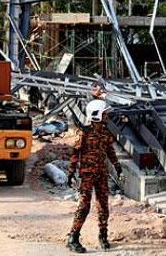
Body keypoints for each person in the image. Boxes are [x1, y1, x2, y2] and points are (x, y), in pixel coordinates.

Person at [67, 99, 123, 253]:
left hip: (102, 175)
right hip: (87, 176)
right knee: (84, 206)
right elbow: (75, 153)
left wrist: (118, 168)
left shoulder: (105, 133)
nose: (107, 117)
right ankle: (73, 237)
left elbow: (110, 152)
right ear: (97, 115)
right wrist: (71, 172)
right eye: (105, 114)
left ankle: (103, 236)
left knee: (103, 206)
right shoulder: (83, 133)